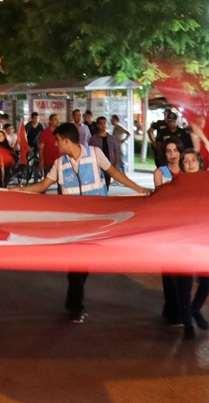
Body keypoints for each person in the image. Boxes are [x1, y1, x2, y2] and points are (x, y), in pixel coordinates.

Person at [9, 122, 148, 322]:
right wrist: (19, 190)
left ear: (66, 140)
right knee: (76, 264)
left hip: (96, 221)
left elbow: (114, 173)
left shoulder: (94, 154)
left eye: (57, 141)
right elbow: (42, 186)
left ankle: (74, 301)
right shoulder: (60, 164)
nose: (55, 145)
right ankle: (75, 306)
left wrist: (139, 190)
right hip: (73, 223)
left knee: (83, 265)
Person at [166, 149, 209, 340]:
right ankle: (187, 323)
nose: (190, 163)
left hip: (202, 242)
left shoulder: (208, 184)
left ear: (200, 163)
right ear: (182, 166)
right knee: (184, 286)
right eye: (186, 161)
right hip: (182, 243)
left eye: (194, 160)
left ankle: (194, 310)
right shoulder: (176, 186)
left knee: (207, 281)